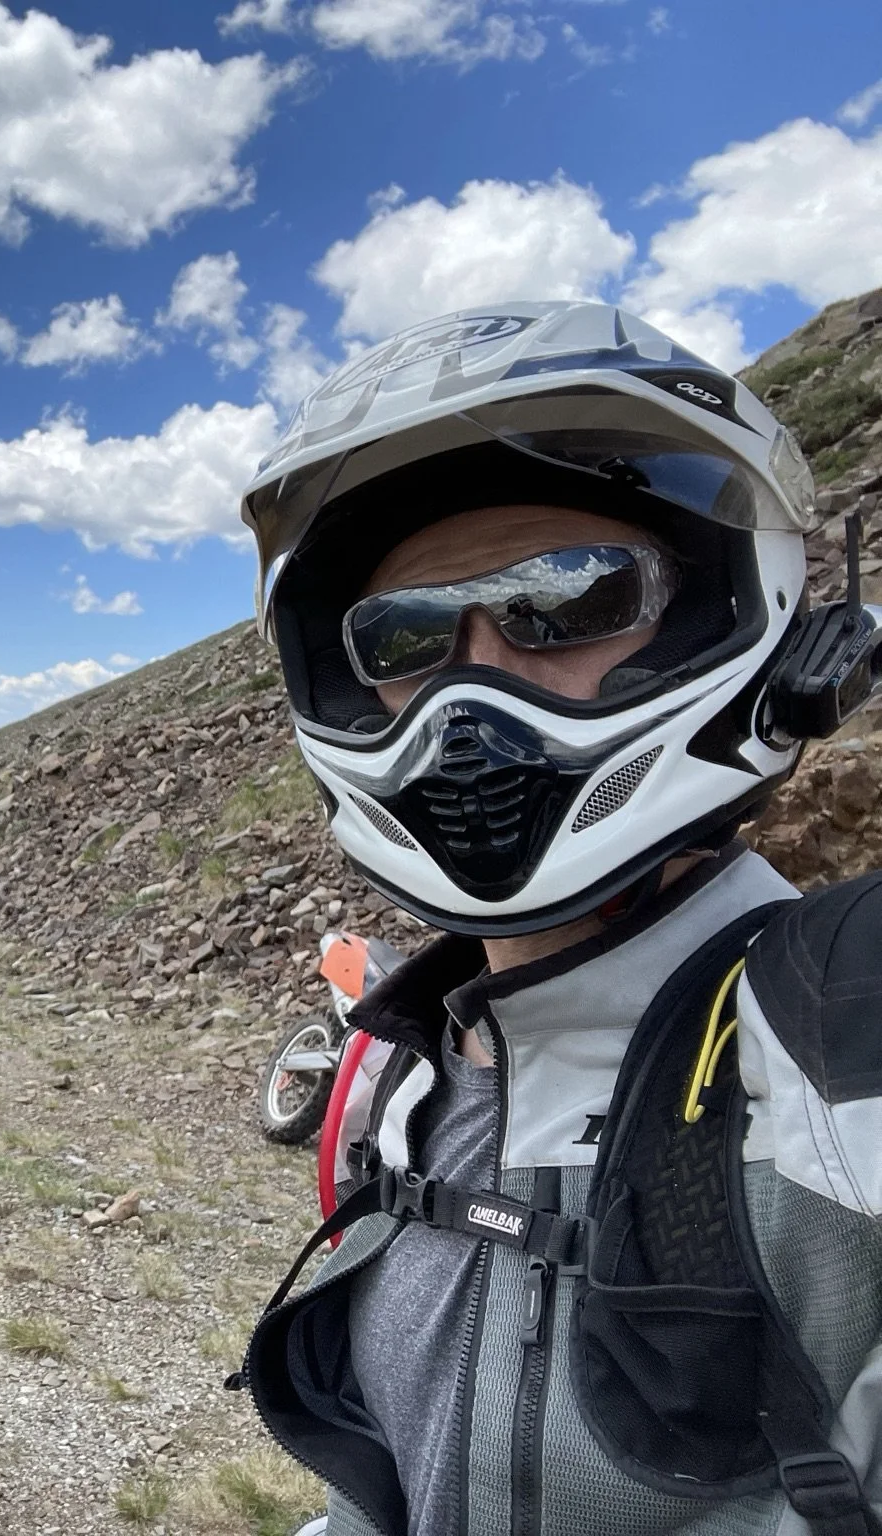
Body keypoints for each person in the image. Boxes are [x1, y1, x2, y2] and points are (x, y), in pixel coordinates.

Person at [232, 301, 882, 1536]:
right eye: (403, 636)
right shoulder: (414, 1063)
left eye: (570, 599)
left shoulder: (834, 1050)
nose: (472, 686)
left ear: (717, 615)